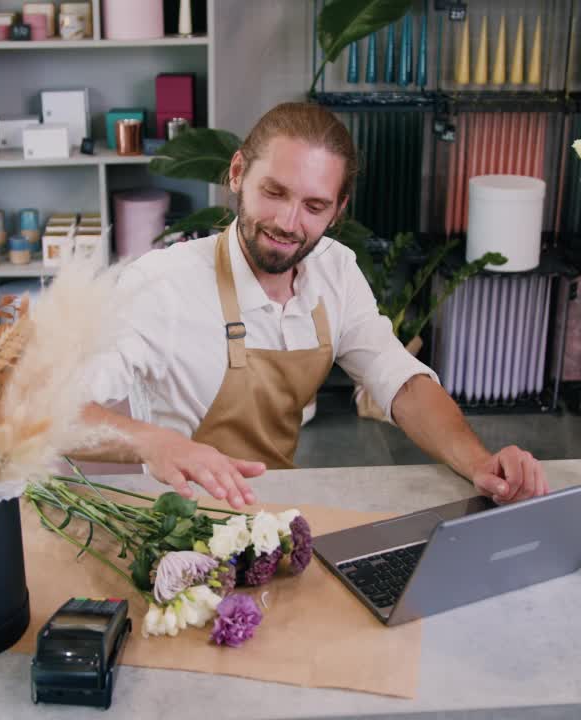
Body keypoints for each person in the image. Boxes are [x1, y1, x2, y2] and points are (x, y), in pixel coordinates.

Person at [79, 102, 546, 509]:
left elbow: (397, 378)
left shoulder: (335, 271)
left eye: (314, 206)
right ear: (238, 173)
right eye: (274, 192)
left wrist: (479, 462)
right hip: (179, 524)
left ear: (337, 210)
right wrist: (154, 444)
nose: (288, 222)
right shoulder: (161, 284)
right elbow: (57, 416)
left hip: (275, 516)